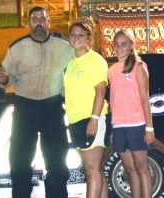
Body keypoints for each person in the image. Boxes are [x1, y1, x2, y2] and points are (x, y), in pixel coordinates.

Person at [0, 6, 74, 198]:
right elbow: (7, 80)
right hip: (25, 108)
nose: (38, 22)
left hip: (53, 107)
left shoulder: (64, 47)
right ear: (28, 23)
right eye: (34, 18)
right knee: (19, 162)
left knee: (57, 161)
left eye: (42, 18)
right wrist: (3, 78)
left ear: (49, 23)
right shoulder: (17, 48)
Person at [63, 17, 108, 198]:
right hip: (75, 120)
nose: (76, 38)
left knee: (92, 170)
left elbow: (101, 91)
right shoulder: (71, 63)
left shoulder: (95, 60)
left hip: (92, 120)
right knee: (95, 169)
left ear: (89, 38)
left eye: (81, 34)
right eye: (73, 35)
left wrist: (94, 119)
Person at [108, 29, 155, 198]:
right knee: (130, 169)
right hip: (119, 126)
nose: (119, 47)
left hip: (137, 124)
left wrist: (149, 128)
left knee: (141, 167)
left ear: (131, 46)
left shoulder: (139, 66)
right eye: (117, 44)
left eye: (124, 44)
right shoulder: (112, 70)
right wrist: (114, 127)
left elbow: (144, 98)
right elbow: (114, 100)